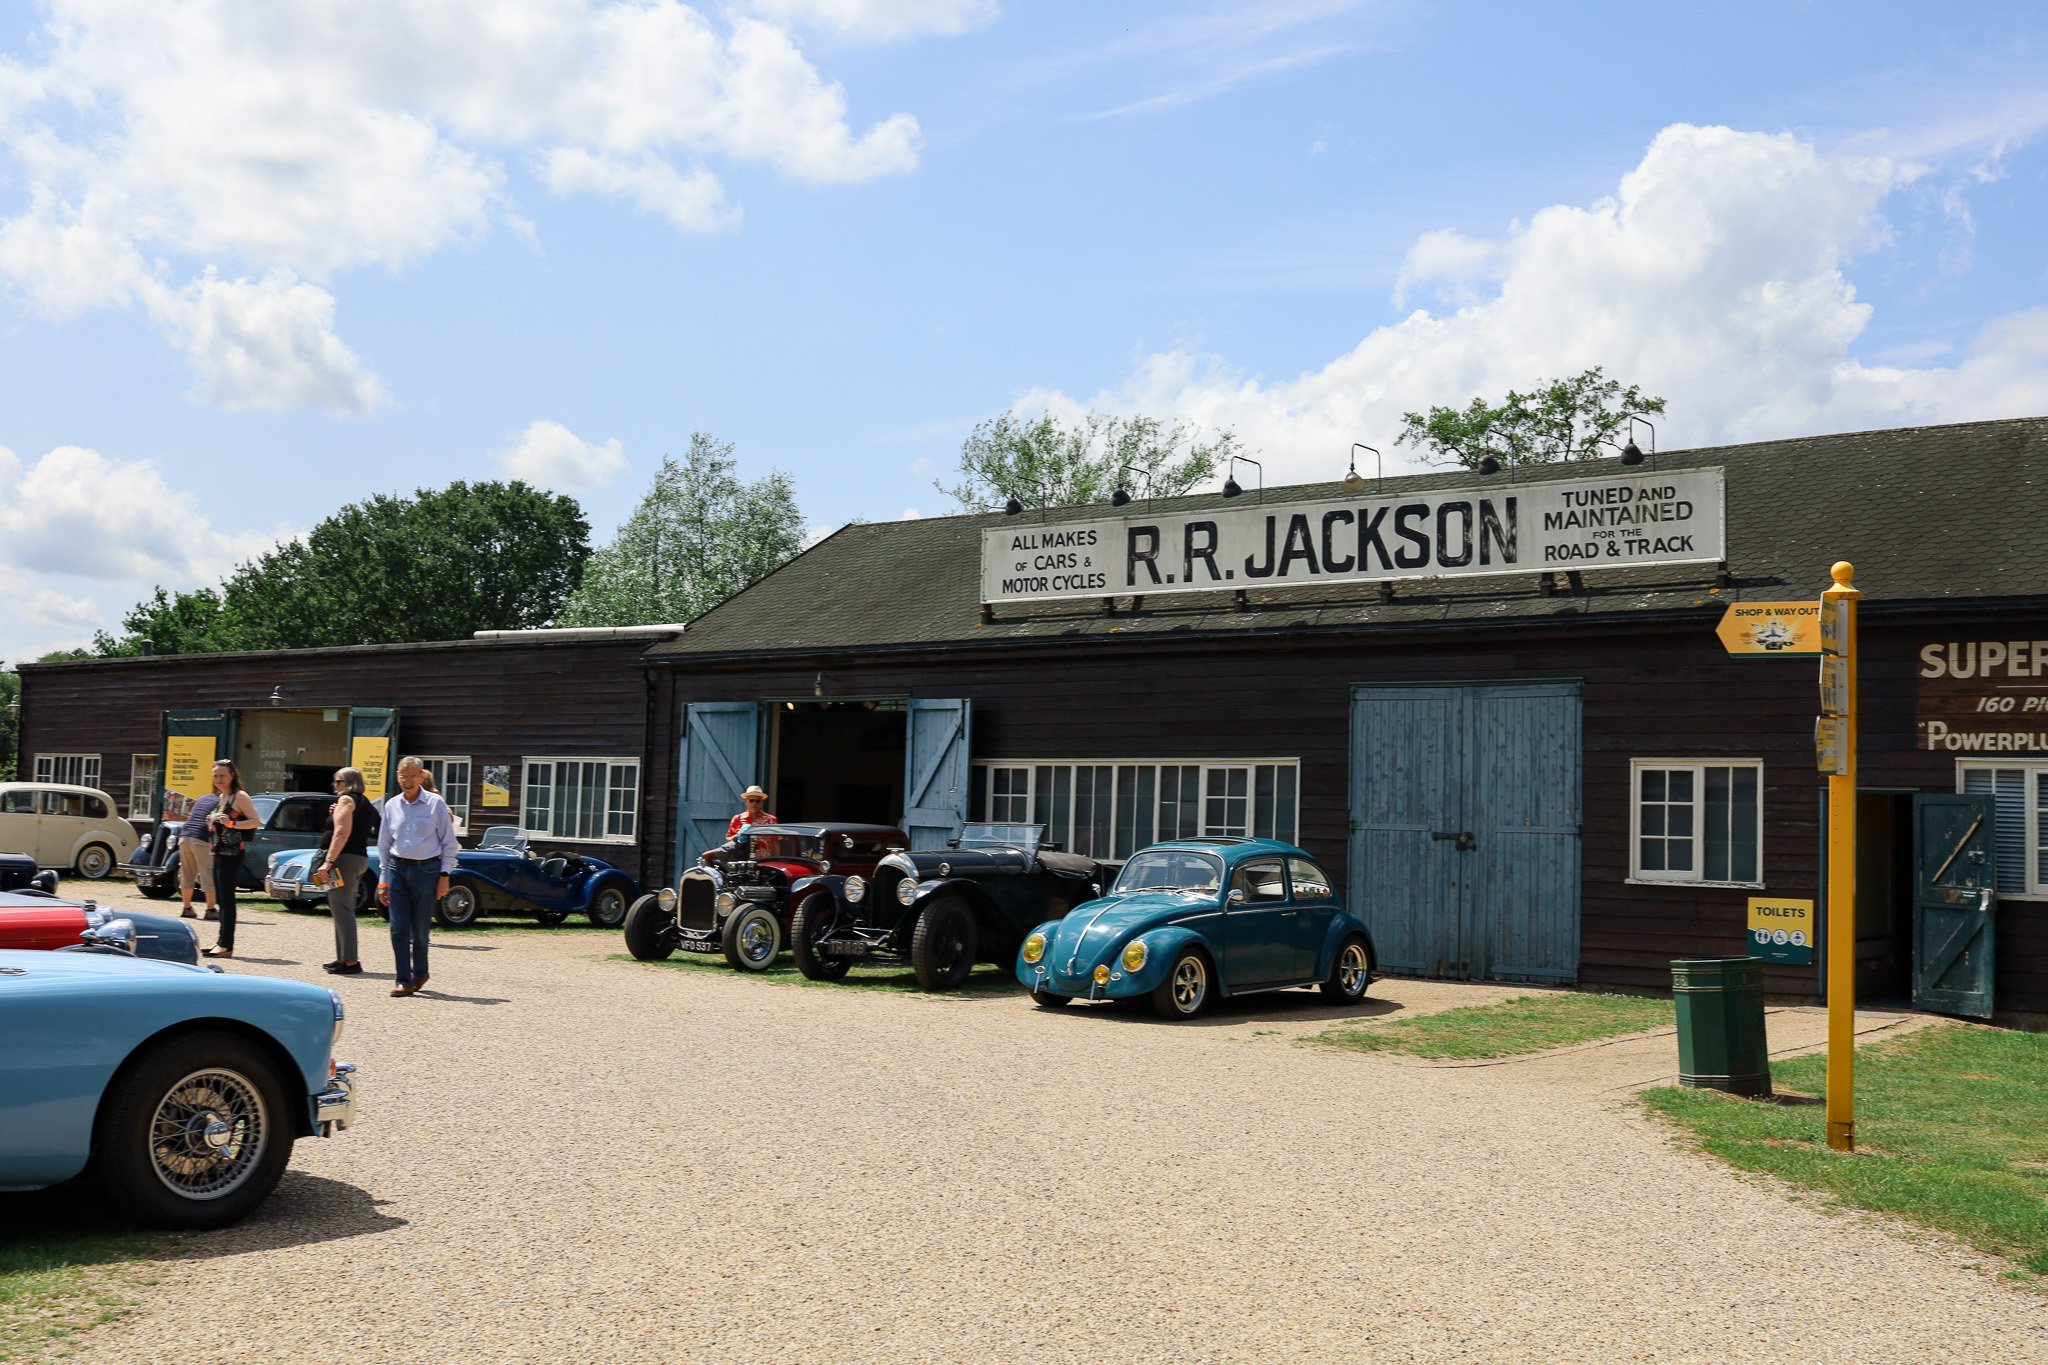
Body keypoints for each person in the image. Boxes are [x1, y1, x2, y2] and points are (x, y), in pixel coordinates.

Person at [376, 755, 458, 998]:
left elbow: (449, 844)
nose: (407, 781)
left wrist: (445, 875)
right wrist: (383, 879)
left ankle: (420, 972)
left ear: (421, 776)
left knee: (420, 928)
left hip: (427, 871)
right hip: (397, 869)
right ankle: (404, 980)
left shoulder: (436, 804)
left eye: (412, 776)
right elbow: (384, 845)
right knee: (398, 927)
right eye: (403, 776)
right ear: (397, 777)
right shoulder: (392, 806)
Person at [317, 767, 378, 976]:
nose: (335, 786)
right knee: (340, 907)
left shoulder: (346, 800)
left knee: (342, 908)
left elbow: (342, 832)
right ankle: (342, 957)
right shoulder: (365, 803)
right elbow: (375, 825)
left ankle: (351, 961)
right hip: (359, 858)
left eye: (339, 781)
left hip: (342, 860)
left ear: (350, 782)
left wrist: (328, 862)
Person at [201, 760, 260, 959]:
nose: (218, 779)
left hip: (233, 854)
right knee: (221, 898)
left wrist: (232, 823)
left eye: (222, 775)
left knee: (227, 899)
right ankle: (222, 942)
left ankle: (225, 945)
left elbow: (255, 821)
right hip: (220, 852)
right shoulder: (222, 797)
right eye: (216, 775)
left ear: (232, 775)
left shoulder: (240, 796)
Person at [174, 786, 220, 920]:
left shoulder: (203, 798)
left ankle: (187, 908)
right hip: (201, 838)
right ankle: (210, 909)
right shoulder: (222, 801)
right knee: (207, 873)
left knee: (187, 873)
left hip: (185, 836)